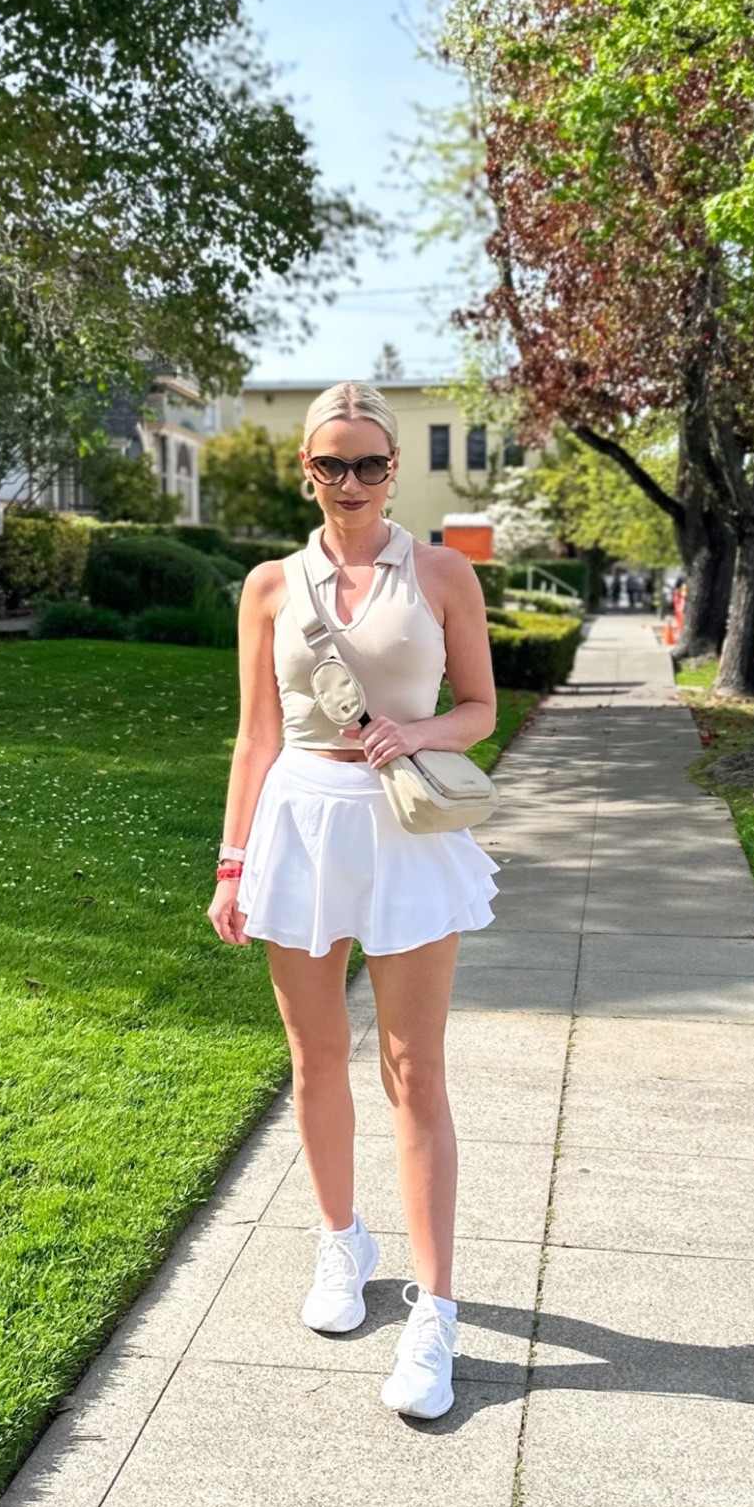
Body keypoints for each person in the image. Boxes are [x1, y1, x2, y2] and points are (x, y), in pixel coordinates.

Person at [207, 381, 499, 1420]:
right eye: (332, 464)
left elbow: (477, 708)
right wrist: (232, 860)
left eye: (371, 463)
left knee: (415, 1069)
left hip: (404, 830)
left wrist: (414, 733)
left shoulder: (442, 572)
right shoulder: (270, 585)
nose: (353, 482)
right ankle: (341, 1242)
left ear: (394, 469)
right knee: (315, 1055)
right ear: (307, 471)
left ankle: (436, 1312)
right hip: (301, 821)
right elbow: (253, 735)